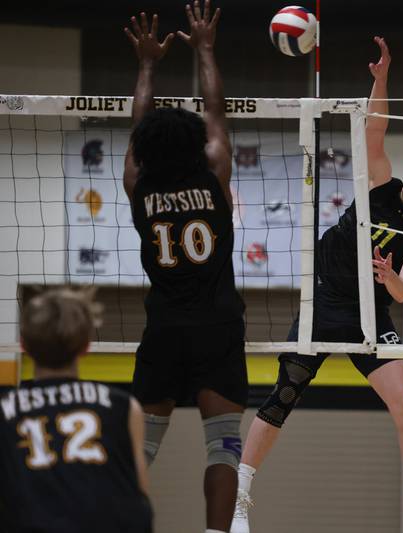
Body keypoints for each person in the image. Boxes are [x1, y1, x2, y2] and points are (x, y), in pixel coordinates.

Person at [231, 37, 403, 533]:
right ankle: (238, 498)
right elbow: (376, 131)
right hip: (324, 301)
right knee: (284, 395)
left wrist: (388, 278)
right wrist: (380, 80)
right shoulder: (380, 183)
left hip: (369, 315)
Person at [122, 3, 247, 532]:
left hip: (164, 328)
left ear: (147, 153)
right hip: (218, 325)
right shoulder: (216, 173)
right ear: (199, 147)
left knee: (141, 447)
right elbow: (215, 111)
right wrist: (205, 48)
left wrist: (147, 64)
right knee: (222, 445)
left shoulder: (138, 186)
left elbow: (136, 130)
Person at [0, 288, 152, 532]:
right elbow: (140, 489)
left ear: (24, 346)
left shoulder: (6, 409)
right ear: (86, 346)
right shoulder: (124, 406)